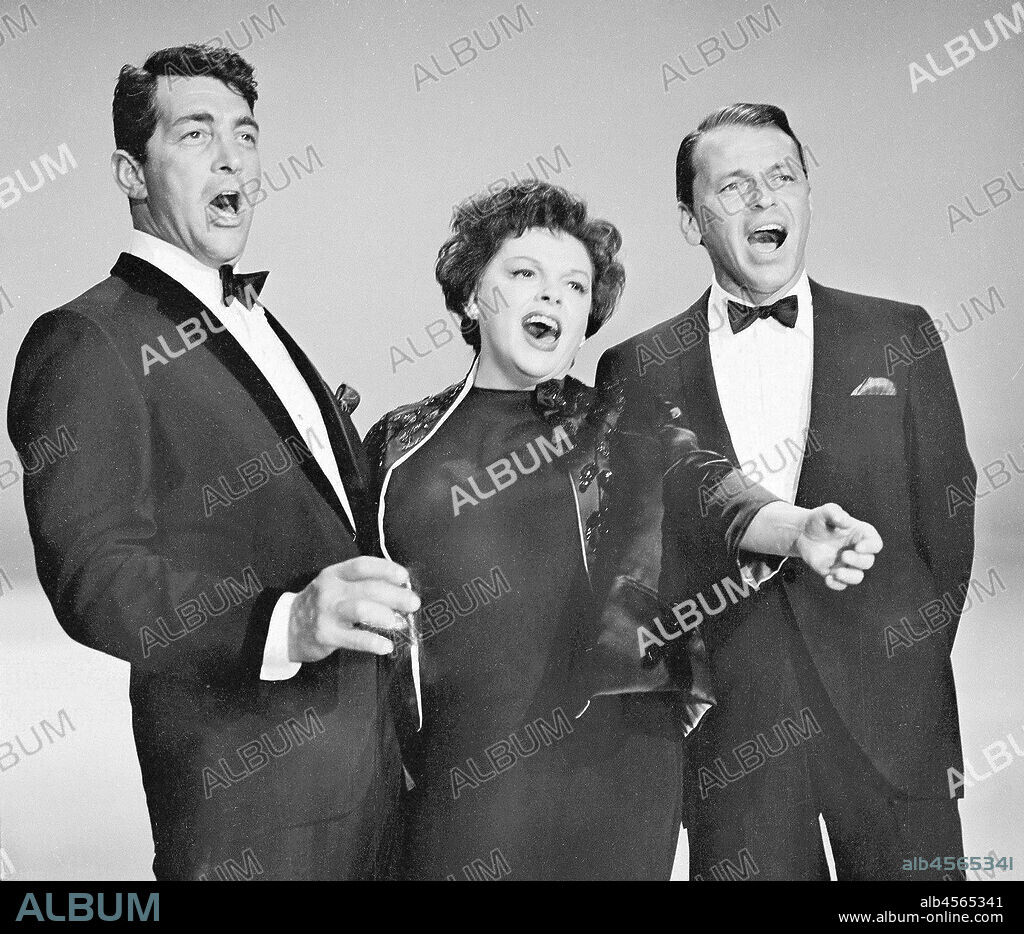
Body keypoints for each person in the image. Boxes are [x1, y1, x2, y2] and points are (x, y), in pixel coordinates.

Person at [365, 179, 881, 880]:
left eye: (574, 287)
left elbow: (712, 488)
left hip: (614, 764)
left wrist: (797, 532)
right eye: (524, 275)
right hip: (453, 771)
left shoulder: (619, 423)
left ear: (586, 320)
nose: (552, 296)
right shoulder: (397, 443)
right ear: (468, 298)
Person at [7, 44, 418, 881]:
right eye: (196, 134)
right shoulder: (85, 340)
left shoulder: (261, 322)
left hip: (375, 791)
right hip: (250, 816)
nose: (232, 157)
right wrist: (282, 623)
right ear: (130, 170)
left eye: (245, 134)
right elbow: (96, 573)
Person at [598, 103, 977, 880]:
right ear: (689, 219)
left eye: (783, 178)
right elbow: (635, 559)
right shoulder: (635, 368)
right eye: (734, 186)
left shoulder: (900, 334)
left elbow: (949, 520)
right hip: (731, 737)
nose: (765, 200)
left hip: (895, 727)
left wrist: (904, 665)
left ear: (808, 193)